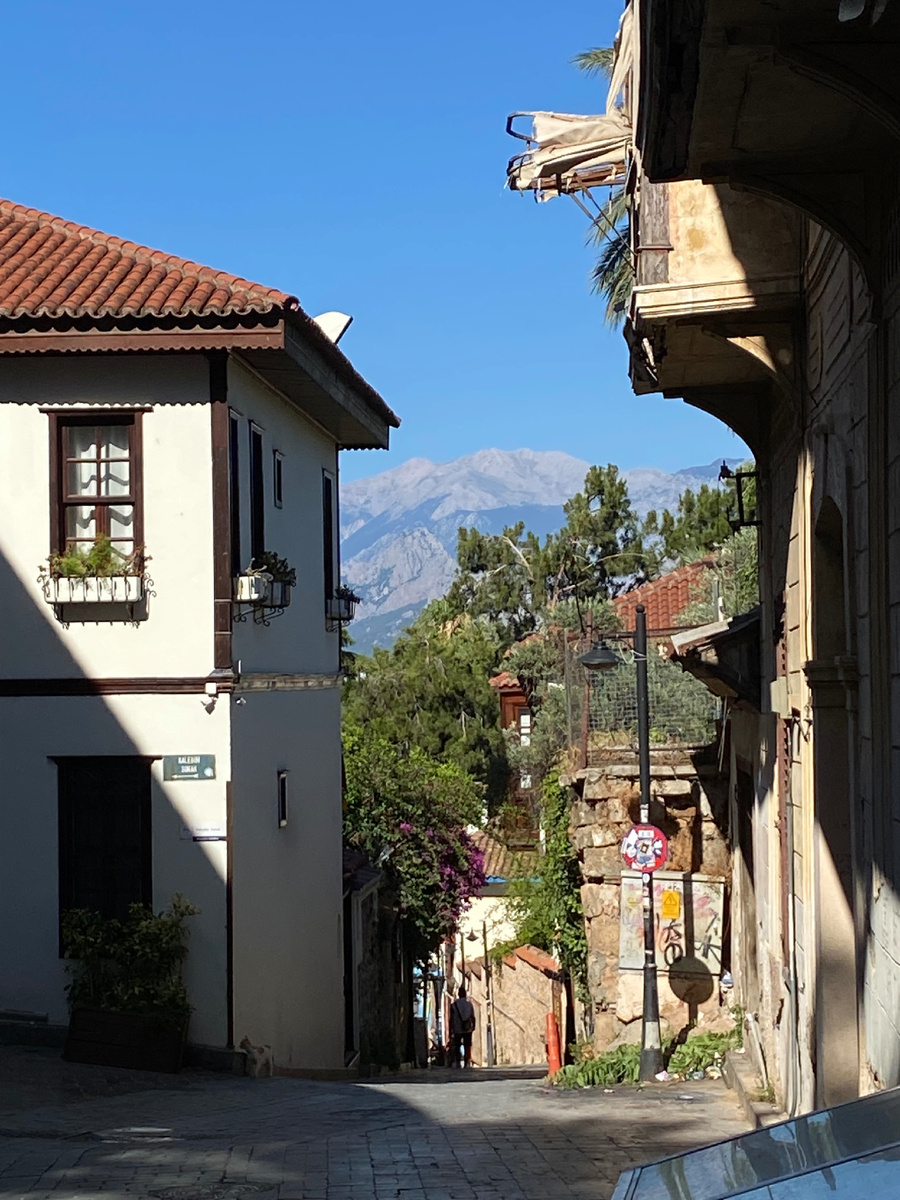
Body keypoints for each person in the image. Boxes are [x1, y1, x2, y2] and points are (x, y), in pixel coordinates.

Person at [449, 986, 476, 1068]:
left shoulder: (454, 1005)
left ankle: (457, 1061)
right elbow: (473, 1017)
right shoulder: (469, 1005)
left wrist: (451, 1029)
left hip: (457, 1028)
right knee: (467, 1045)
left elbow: (451, 1018)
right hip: (467, 1028)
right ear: (465, 994)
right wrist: (473, 1026)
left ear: (458, 994)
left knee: (457, 1045)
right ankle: (466, 1061)